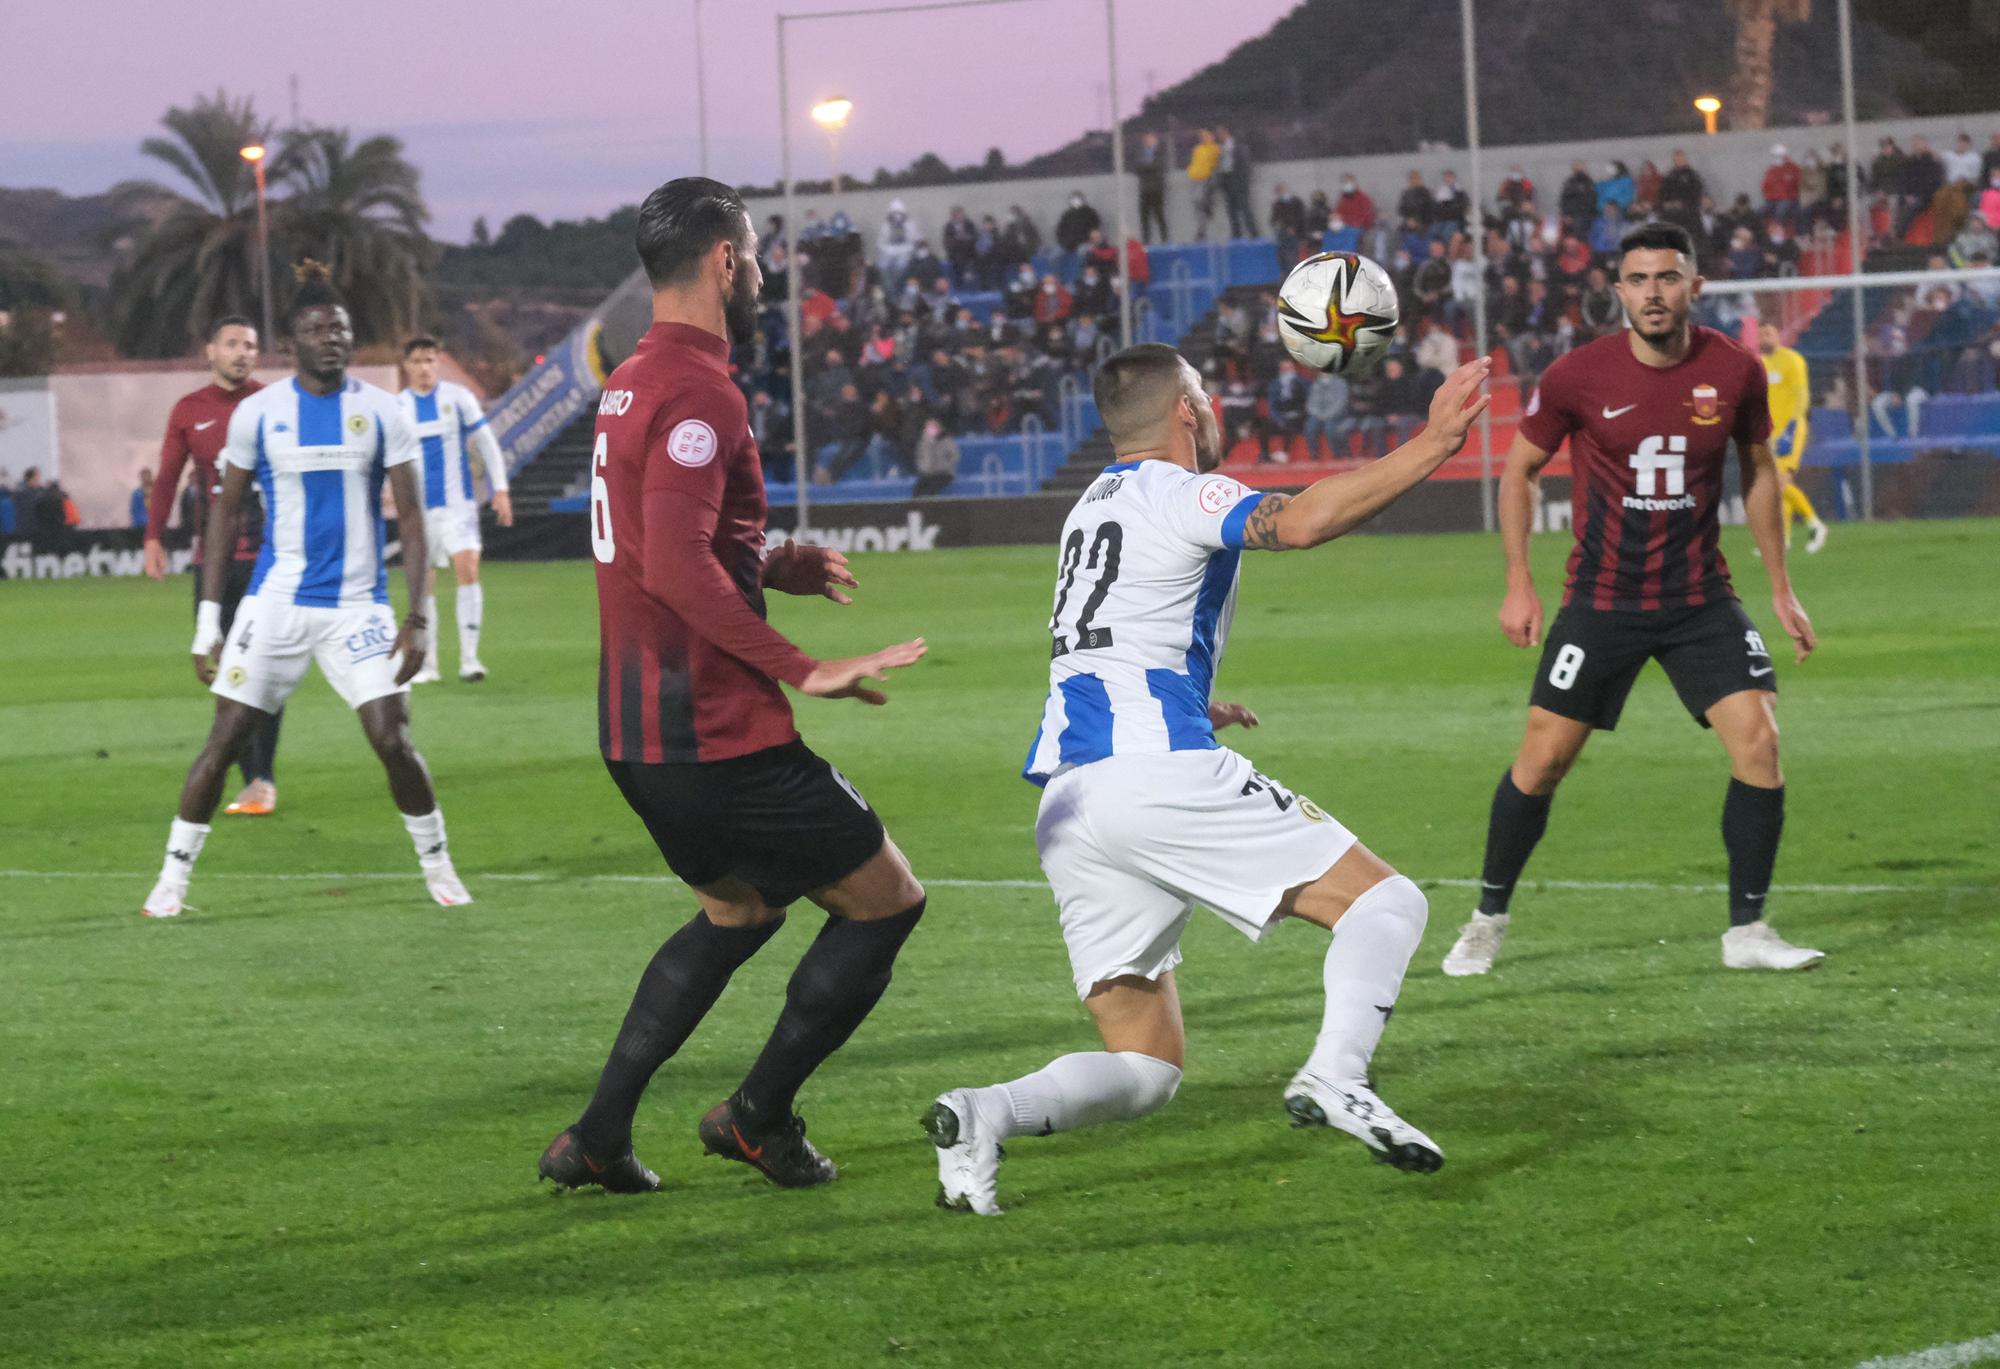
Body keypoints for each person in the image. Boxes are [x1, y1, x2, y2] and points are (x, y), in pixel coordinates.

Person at [922, 342, 1492, 1215]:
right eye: (1207, 392)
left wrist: (1191, 700)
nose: (1218, 403)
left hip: (1073, 801)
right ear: (1185, 409)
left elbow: (1112, 634)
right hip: (1155, 775)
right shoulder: (1179, 489)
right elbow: (1297, 522)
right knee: (1387, 904)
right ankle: (1339, 1075)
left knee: (1146, 1068)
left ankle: (980, 1114)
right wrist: (1433, 443)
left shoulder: (1089, 507)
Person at [537, 177, 930, 1196]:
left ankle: (596, 1136)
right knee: (886, 901)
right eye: (754, 257)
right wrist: (804, 665)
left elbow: (668, 543)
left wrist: (767, 563)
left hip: (636, 732)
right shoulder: (701, 390)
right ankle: (757, 1117)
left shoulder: (630, 380)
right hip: (714, 733)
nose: (759, 273)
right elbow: (669, 564)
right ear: (723, 261)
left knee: (740, 913)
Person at [1442, 223, 1822, 979]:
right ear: (1618, 290)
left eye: (1668, 277)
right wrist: (1519, 581)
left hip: (1700, 598)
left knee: (1760, 743)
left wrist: (1780, 587)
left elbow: (1759, 472)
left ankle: (1747, 930)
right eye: (1639, 279)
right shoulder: (1578, 375)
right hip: (1601, 599)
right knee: (1542, 760)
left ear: (1695, 287)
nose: (1654, 293)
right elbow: (1517, 472)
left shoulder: (1737, 370)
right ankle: (1487, 917)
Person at [141, 261, 467, 919]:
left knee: (393, 740)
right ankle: (172, 879)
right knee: (225, 740)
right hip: (276, 603)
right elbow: (225, 514)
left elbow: (410, 513)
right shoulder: (260, 415)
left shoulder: (381, 410)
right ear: (292, 344)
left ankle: (439, 866)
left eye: (340, 327)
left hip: (358, 609)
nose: (331, 338)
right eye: (317, 329)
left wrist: (420, 616)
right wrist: (209, 619)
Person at [144, 316, 283, 817]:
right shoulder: (189, 410)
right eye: (232, 344)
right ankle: (247, 772)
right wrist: (154, 537)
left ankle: (259, 780)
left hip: (269, 560)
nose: (243, 352)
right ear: (210, 351)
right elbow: (167, 479)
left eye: (250, 344)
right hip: (214, 564)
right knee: (225, 672)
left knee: (261, 669)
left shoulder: (273, 403)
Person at [397, 337, 514, 684]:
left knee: (468, 567)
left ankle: (469, 659)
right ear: (406, 366)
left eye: (430, 360)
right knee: (424, 584)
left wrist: (501, 489)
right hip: (419, 511)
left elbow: (485, 442)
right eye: (417, 361)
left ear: (438, 363)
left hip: (458, 504)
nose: (424, 368)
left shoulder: (457, 399)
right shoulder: (398, 407)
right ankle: (429, 664)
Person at [1758, 321, 1828, 554]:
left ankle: (1815, 524)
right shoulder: (1762, 364)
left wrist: (1791, 427)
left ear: (1778, 335)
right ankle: (1783, 539)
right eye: (1760, 335)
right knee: (1779, 486)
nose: (1763, 338)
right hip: (1771, 432)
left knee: (1778, 482)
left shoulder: (1792, 360)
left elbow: (1801, 395)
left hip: (1791, 430)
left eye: (1768, 333)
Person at [1135, 131, 1169, 244]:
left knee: (1159, 215)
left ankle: (1165, 239)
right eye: (1146, 139)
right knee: (1144, 217)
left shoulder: (1160, 152)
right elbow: (1137, 168)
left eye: (1150, 139)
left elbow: (1158, 167)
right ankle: (1146, 240)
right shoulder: (1141, 153)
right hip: (1144, 189)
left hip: (1157, 189)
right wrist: (1148, 167)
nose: (1148, 141)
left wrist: (1146, 167)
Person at [1187, 129, 1221, 241]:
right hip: (1195, 179)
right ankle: (1201, 230)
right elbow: (1194, 162)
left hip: (1205, 179)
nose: (1203, 137)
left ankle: (1202, 230)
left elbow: (1214, 164)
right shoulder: (1198, 149)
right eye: (1202, 136)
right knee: (1196, 204)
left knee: (1202, 202)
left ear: (1212, 136)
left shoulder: (1215, 148)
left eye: (1206, 135)